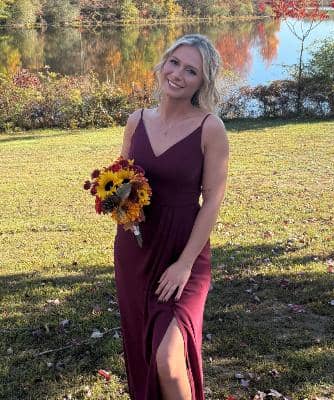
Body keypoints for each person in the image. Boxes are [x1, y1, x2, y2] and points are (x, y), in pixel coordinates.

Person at [114, 33, 229, 400]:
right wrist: (120, 207)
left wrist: (185, 264)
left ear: (202, 82)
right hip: (136, 251)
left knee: (168, 357)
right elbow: (123, 179)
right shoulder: (136, 121)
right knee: (144, 348)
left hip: (184, 250)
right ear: (163, 64)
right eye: (174, 63)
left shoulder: (210, 127)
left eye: (191, 70)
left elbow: (212, 200)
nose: (178, 74)